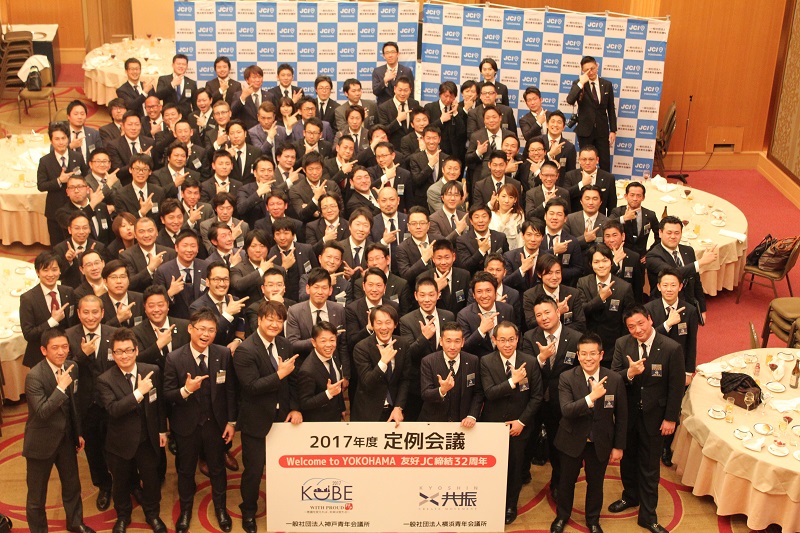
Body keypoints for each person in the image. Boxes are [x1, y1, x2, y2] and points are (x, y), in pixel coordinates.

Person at [609, 307, 685, 533]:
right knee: (627, 461)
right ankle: (630, 496)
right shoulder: (622, 344)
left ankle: (648, 516)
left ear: (650, 320)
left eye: (641, 323)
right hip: (628, 417)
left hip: (656, 418)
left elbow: (676, 387)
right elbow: (614, 376)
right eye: (631, 327)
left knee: (650, 468)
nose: (637, 330)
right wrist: (629, 373)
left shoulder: (671, 347)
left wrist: (670, 418)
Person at [163, 308, 236, 533]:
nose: (206, 334)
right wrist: (186, 390)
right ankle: (185, 511)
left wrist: (231, 422)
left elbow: (230, 390)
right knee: (185, 471)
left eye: (211, 330)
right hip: (186, 426)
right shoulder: (175, 358)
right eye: (202, 329)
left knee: (217, 469)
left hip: (215, 425)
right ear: (190, 329)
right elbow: (167, 394)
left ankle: (221, 509)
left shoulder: (223, 353)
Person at [234, 301, 301, 533]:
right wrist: (279, 375)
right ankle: (249, 511)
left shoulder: (284, 344)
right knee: (254, 471)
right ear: (259, 320)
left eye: (279, 320)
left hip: (283, 419)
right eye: (270, 319)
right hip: (256, 420)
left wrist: (295, 407)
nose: (274, 324)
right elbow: (251, 387)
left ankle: (283, 507)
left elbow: (293, 382)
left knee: (283, 468)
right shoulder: (245, 349)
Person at [551, 332, 627, 533]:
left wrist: (618, 446)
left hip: (600, 441)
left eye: (593, 353)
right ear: (577, 355)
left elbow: (622, 416)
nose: (588, 358)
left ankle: (593, 520)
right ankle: (562, 516)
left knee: (596, 484)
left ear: (601, 355)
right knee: (566, 482)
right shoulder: (567, 377)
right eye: (583, 354)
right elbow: (567, 410)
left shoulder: (614, 379)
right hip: (571, 439)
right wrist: (591, 398)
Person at [23, 328, 95, 533]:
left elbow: (73, 405)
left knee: (72, 486)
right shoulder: (34, 376)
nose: (61, 352)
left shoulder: (72, 366)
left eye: (65, 347)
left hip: (66, 439)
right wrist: (61, 387)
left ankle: (75, 522)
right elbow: (42, 412)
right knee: (37, 496)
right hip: (41, 443)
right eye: (55, 348)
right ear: (44, 350)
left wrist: (78, 433)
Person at [96, 328, 167, 533]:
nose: (124, 355)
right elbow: (114, 409)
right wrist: (139, 392)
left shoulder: (152, 370)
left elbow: (159, 404)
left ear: (136, 350)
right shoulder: (105, 379)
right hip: (120, 442)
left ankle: (152, 514)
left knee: (152, 480)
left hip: (147, 439)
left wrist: (162, 430)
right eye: (119, 352)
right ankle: (123, 516)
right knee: (120, 483)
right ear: (113, 354)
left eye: (128, 350)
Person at [480, 321, 542, 525]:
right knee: (493, 467)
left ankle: (510, 505)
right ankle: (492, 502)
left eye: (511, 339)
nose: (507, 344)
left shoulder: (530, 362)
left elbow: (537, 397)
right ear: (494, 340)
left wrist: (522, 421)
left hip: (519, 427)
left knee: (515, 468)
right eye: (502, 340)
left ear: (517, 339)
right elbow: (489, 393)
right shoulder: (486, 361)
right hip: (493, 426)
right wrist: (512, 382)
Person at [520, 294, 580, 489]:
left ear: (558, 311)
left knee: (558, 446)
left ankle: (557, 485)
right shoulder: (530, 337)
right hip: (534, 400)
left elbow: (579, 372)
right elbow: (525, 370)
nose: (543, 318)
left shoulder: (575, 337)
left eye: (547, 312)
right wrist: (541, 359)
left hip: (562, 402)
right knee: (527, 442)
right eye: (538, 315)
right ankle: (522, 475)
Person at [66, 295, 116, 510]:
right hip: (85, 405)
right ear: (78, 314)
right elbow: (65, 371)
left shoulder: (115, 334)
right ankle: (104, 485)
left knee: (119, 446)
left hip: (112, 402)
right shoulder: (69, 336)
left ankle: (130, 483)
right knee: (93, 450)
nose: (90, 316)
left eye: (95, 312)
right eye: (85, 312)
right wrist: (81, 354)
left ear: (102, 313)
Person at [644, 268, 699, 467]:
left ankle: (667, 448)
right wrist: (668, 324)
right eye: (665, 285)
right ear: (658, 287)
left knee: (674, 407)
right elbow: (646, 338)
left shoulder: (689, 310)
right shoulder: (649, 309)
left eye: (673, 285)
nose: (669, 289)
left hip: (678, 368)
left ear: (680, 287)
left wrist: (688, 371)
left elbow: (691, 343)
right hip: (655, 365)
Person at [645, 215, 717, 324]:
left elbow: (696, 281)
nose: (673, 236)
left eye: (677, 233)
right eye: (669, 233)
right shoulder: (653, 256)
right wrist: (701, 262)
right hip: (664, 308)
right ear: (660, 233)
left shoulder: (688, 250)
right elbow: (673, 274)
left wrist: (702, 309)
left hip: (688, 306)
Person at [350, 305, 414, 423]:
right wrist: (383, 362)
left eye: (388, 322)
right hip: (368, 413)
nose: (384, 327)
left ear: (395, 324)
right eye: (379, 323)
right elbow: (367, 382)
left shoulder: (403, 344)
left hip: (395, 411)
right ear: (372, 325)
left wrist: (398, 407)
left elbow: (405, 379)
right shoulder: (361, 347)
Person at [578, 244, 635, 364]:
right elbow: (581, 311)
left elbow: (627, 321)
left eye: (605, 261)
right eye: (596, 262)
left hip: (614, 348)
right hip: (589, 346)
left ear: (611, 262)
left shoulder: (624, 287)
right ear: (591, 264)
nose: (601, 265)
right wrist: (600, 299)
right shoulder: (583, 283)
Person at [419, 322, 483, 424]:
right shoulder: (428, 361)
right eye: (448, 341)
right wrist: (442, 390)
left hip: (464, 422)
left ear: (463, 342)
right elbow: (425, 394)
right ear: (441, 341)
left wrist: (472, 415)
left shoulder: (472, 360)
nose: (452, 347)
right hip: (434, 422)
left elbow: (478, 392)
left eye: (457, 341)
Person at [20, 252, 76, 367]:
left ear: (60, 271)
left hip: (67, 353)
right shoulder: (28, 298)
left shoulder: (68, 292)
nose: (50, 274)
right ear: (37, 272)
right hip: (41, 357)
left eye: (54, 270)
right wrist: (52, 321)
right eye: (45, 270)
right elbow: (28, 334)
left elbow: (74, 323)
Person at [285, 267, 348, 365]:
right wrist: (318, 341)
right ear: (307, 289)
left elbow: (343, 345)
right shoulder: (295, 311)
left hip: (333, 364)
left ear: (330, 290)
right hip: (305, 366)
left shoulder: (338, 309)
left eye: (324, 288)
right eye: (316, 287)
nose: (320, 292)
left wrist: (345, 371)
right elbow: (292, 344)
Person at [38, 121, 88, 244]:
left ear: (68, 139)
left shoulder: (77, 156)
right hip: (55, 209)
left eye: (63, 138)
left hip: (76, 207)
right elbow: (41, 185)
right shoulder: (45, 161)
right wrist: (59, 181)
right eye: (57, 139)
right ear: (51, 141)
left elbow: (86, 176)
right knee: (57, 245)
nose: (61, 142)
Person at [566, 56, 617, 172]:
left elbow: (611, 109)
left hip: (602, 130)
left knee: (605, 163)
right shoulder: (579, 84)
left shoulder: (607, 84)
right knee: (586, 163)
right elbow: (570, 100)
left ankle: (604, 183)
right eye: (587, 70)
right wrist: (581, 83)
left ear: (597, 66)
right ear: (582, 71)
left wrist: (613, 130)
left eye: (592, 68)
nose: (590, 72)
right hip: (585, 130)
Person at [189, 262, 248, 349]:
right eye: (217, 279)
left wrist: (238, 340)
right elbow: (206, 336)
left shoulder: (234, 301)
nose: (222, 284)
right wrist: (227, 314)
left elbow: (241, 326)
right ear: (207, 282)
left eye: (225, 279)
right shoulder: (197, 307)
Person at [152, 230, 209, 320]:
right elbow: (156, 301)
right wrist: (169, 294)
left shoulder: (206, 267)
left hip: (202, 320)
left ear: (198, 248)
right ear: (176, 247)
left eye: (193, 246)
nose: (189, 250)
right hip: (176, 321)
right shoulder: (163, 271)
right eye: (185, 246)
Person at [296, 321, 347, 421]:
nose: (329, 345)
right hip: (319, 422)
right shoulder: (307, 370)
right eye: (323, 341)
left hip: (335, 416)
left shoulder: (334, 355)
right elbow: (305, 403)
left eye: (332, 340)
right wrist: (328, 393)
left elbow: (336, 385)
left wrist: (341, 408)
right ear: (314, 343)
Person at [133, 284, 191, 371]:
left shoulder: (184, 326)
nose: (156, 309)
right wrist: (158, 345)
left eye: (160, 305)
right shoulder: (136, 332)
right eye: (151, 306)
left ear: (168, 305)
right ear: (145, 308)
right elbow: (137, 360)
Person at [522, 254, 586, 332]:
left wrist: (557, 333)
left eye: (557, 272)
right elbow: (531, 325)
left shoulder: (573, 293)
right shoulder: (530, 295)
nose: (554, 277)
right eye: (549, 273)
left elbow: (581, 325)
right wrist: (557, 312)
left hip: (567, 338)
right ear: (539, 274)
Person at [458, 271, 516, 357]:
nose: (484, 295)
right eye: (479, 291)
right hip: (478, 362)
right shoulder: (464, 315)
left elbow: (515, 338)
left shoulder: (507, 309)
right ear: (473, 295)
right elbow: (464, 348)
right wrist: (481, 331)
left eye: (488, 291)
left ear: (495, 292)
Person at [118, 217, 176, 293]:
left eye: (150, 230)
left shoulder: (170, 253)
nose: (146, 235)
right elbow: (129, 283)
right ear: (135, 235)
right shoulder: (126, 256)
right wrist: (150, 269)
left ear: (157, 232)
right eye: (141, 231)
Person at [465, 105, 515, 188]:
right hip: (482, 181)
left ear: (500, 118)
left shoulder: (509, 135)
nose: (491, 120)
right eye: (487, 118)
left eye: (494, 117)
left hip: (505, 180)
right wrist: (478, 152)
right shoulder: (476, 136)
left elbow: (515, 153)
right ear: (484, 120)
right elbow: (468, 159)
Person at [55, 175, 113, 246]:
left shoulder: (101, 207)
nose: (76, 191)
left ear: (87, 189)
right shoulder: (62, 212)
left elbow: (110, 235)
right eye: (72, 187)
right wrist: (91, 205)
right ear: (67, 192)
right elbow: (76, 220)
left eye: (80, 186)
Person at [419, 238, 471, 317]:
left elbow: (468, 304)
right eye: (439, 258)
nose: (443, 262)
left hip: (460, 320)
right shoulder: (423, 278)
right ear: (433, 259)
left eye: (447, 257)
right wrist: (436, 289)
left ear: (453, 257)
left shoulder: (464, 275)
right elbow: (421, 307)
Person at [540, 197, 584, 286]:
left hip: (564, 287)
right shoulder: (536, 237)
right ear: (545, 216)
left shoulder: (572, 242)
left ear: (565, 218)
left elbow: (578, 269)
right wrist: (553, 251)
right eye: (551, 213)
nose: (554, 217)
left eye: (559, 214)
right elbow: (533, 260)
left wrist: (556, 274)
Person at [561, 146, 617, 216]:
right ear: (579, 160)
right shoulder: (570, 175)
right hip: (575, 219)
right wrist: (581, 184)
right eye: (584, 159)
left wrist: (609, 221)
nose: (587, 162)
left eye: (591, 159)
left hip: (600, 220)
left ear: (597, 160)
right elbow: (565, 196)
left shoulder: (608, 178)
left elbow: (612, 206)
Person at [609, 181, 660, 258]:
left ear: (643, 198)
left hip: (641, 257)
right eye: (632, 195)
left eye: (638, 195)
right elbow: (606, 225)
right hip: (621, 255)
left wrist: (650, 253)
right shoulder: (618, 211)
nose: (635, 199)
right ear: (626, 196)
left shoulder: (650, 215)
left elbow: (660, 236)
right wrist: (624, 218)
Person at [289, 152, 343, 223]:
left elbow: (341, 210)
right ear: (304, 170)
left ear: (322, 168)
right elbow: (301, 215)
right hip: (309, 228)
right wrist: (315, 198)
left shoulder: (332, 185)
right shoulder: (296, 190)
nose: (315, 172)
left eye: (318, 168)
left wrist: (316, 212)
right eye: (310, 169)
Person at [456, 205, 509, 276]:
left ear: (490, 219)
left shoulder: (500, 237)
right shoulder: (462, 240)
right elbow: (465, 267)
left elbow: (506, 262)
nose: (481, 220)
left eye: (484, 216)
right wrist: (481, 251)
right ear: (471, 221)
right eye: (476, 217)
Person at [424, 81, 468, 165]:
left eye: (451, 97)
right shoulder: (430, 107)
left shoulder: (458, 110)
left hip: (454, 154)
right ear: (440, 94)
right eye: (446, 96)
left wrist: (455, 114)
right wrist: (441, 120)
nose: (448, 99)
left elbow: (462, 132)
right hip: (435, 150)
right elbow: (426, 129)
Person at [602, 219, 646, 304]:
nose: (611, 240)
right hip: (606, 302)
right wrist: (614, 262)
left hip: (628, 303)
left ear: (623, 236)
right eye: (607, 236)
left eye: (615, 235)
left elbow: (638, 288)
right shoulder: (600, 256)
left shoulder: (634, 257)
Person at [113, 154, 165, 225]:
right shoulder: (121, 194)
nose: (141, 172)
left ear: (150, 172)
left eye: (145, 169)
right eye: (137, 169)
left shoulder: (159, 192)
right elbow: (123, 222)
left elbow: (163, 219)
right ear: (130, 170)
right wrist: (141, 213)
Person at [108, 112, 155, 186]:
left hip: (148, 184)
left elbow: (155, 167)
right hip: (125, 185)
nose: (133, 128)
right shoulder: (114, 145)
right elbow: (117, 172)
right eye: (130, 124)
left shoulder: (150, 142)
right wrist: (138, 159)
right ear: (122, 126)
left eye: (137, 124)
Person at [408, 125, 447, 212]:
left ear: (439, 139)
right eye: (428, 138)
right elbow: (416, 181)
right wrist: (430, 165)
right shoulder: (415, 158)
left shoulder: (446, 158)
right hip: (422, 201)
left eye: (434, 138)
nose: (431, 141)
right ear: (423, 139)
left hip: (442, 201)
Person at [368, 142, 413, 213]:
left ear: (393, 155)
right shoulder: (371, 171)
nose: (380, 160)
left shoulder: (405, 174)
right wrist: (386, 177)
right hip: (377, 214)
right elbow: (370, 186)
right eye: (378, 157)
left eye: (384, 156)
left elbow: (409, 202)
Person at [564, 185, 608, 255]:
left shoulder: (608, 222)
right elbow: (565, 245)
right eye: (587, 198)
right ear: (581, 201)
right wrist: (584, 239)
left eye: (595, 199)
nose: (591, 202)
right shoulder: (569, 219)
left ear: (600, 202)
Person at [376, 76, 419, 149]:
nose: (402, 93)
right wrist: (398, 120)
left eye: (406, 90)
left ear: (410, 90)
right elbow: (384, 131)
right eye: (400, 90)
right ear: (395, 89)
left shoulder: (415, 104)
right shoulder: (383, 107)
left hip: (412, 148)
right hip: (393, 148)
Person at [503, 219, 544, 294]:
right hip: (517, 299)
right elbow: (505, 284)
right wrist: (522, 270)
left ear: (542, 237)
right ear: (522, 235)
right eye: (529, 234)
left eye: (537, 235)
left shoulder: (547, 257)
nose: (533, 239)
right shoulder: (509, 256)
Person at [101, 259, 144, 328]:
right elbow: (99, 330)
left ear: (128, 280)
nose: (119, 281)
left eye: (123, 277)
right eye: (113, 277)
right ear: (105, 282)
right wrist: (118, 319)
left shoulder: (141, 299)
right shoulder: (99, 303)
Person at [156, 53, 197, 118]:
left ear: (187, 67)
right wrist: (172, 85)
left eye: (183, 64)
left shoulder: (192, 83)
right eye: (178, 64)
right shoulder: (164, 79)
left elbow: (195, 104)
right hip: (169, 117)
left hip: (186, 118)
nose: (181, 66)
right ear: (173, 65)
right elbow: (158, 96)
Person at [230, 65, 270, 131]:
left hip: (265, 132)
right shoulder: (238, 95)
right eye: (254, 77)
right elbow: (232, 113)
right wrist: (243, 97)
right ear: (247, 80)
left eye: (260, 77)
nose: (257, 80)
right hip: (246, 132)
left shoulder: (269, 96)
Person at [539, 110, 576, 182]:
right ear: (547, 124)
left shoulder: (569, 147)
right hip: (539, 185)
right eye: (553, 121)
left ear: (563, 127)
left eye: (559, 122)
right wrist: (550, 155)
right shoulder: (538, 141)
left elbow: (570, 173)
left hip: (560, 186)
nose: (555, 125)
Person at [489, 183, 525, 250]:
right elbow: (492, 239)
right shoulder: (491, 215)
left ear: (515, 200)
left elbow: (520, 238)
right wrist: (502, 223)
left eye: (511, 197)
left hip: (514, 252)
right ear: (497, 197)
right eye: (503, 196)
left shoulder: (518, 215)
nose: (506, 201)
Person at [225, 120, 262, 185]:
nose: (235, 136)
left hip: (250, 188)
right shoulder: (223, 152)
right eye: (232, 133)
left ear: (245, 133)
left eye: (238, 132)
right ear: (228, 136)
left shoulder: (256, 152)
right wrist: (227, 157)